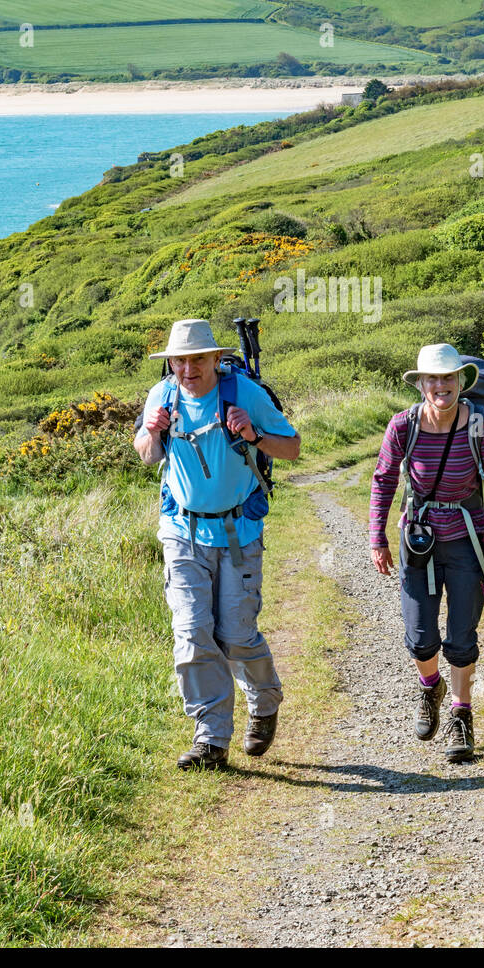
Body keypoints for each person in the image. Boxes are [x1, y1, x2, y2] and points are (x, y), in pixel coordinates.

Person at [134, 319, 300, 770]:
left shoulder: (244, 395)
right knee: (191, 634)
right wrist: (152, 432)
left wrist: (253, 435)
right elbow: (148, 455)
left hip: (238, 533)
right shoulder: (161, 396)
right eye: (180, 360)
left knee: (236, 635)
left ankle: (264, 701)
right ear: (170, 362)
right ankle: (211, 739)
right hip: (181, 533)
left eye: (198, 359)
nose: (189, 369)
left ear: (215, 359)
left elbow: (292, 448)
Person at [369, 343, 484, 763]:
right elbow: (383, 480)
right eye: (433, 378)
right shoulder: (403, 426)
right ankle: (431, 686)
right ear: (421, 385)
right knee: (420, 638)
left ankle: (461, 715)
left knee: (462, 636)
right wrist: (377, 537)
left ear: (459, 382)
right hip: (418, 540)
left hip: (467, 539)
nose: (441, 386)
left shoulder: (480, 426)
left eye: (448, 378)